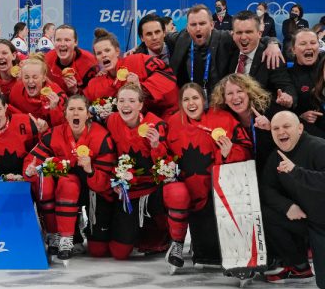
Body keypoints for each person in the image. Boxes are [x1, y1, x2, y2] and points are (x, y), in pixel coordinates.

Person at [163, 83, 253, 270]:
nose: (191, 103)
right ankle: (177, 243)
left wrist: (230, 153)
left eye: (195, 98)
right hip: (190, 188)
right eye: (186, 99)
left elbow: (247, 148)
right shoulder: (172, 122)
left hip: (220, 189)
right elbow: (165, 154)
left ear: (204, 101)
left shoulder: (224, 118)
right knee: (175, 192)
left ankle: (240, 252)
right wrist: (164, 158)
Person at [23, 95, 116, 262]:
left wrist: (90, 170)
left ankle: (82, 230)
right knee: (57, 180)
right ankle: (59, 236)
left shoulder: (101, 136)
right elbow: (33, 160)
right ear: (65, 114)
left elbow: (106, 182)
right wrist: (29, 171)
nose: (76, 113)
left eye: (80, 109)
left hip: (94, 192)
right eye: (71, 109)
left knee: (98, 250)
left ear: (88, 114)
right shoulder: (55, 134)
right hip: (66, 191)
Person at [101, 83, 170, 259]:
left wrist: (156, 146)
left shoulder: (156, 125)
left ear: (140, 105)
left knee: (171, 194)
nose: (126, 105)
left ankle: (165, 232)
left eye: (132, 101)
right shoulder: (111, 121)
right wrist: (115, 180)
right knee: (118, 252)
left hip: (153, 190)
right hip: (128, 192)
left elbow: (167, 167)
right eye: (122, 100)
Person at [260, 111, 323, 289]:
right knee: (266, 213)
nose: (281, 132)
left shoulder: (318, 147)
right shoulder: (276, 156)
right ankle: (299, 266)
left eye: (286, 126)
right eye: (275, 128)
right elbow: (266, 189)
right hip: (306, 220)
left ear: (300, 128)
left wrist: (296, 171)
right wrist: (287, 206)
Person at [165, 4, 283, 99]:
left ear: (212, 25)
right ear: (187, 27)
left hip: (218, 103)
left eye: (202, 23)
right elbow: (159, 37)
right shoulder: (180, 38)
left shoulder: (225, 38)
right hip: (190, 101)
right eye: (193, 24)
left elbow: (255, 38)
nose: (198, 28)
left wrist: (273, 43)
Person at [85, 28, 178, 120]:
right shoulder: (95, 84)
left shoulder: (137, 60)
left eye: (107, 50)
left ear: (117, 51)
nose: (103, 55)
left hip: (158, 120)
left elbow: (167, 74)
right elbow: (84, 105)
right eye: (99, 53)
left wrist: (141, 87)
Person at [229, 11, 296, 113]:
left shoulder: (271, 55)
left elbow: (286, 86)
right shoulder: (228, 52)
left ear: (259, 34)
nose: (243, 37)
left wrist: (288, 98)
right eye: (239, 32)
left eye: (248, 32)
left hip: (262, 118)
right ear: (232, 35)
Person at [210, 73, 274, 171]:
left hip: (271, 172)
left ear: (249, 93)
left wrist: (271, 129)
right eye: (229, 93)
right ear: (224, 99)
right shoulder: (224, 122)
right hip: (244, 176)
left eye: (240, 91)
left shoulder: (269, 111)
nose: (235, 97)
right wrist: (227, 154)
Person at [0, 86, 40, 183]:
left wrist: (43, 131)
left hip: (27, 180)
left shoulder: (25, 121)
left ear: (5, 107)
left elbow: (41, 149)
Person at [8, 55, 66, 130]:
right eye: (26, 77)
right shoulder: (16, 91)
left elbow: (64, 128)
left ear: (44, 77)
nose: (30, 81)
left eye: (35, 77)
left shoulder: (57, 95)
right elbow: (12, 118)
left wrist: (54, 110)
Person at [288, 29, 325, 138]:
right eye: (303, 44)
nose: (309, 47)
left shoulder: (323, 65)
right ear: (294, 49)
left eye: (313, 43)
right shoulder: (287, 76)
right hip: (309, 134)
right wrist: (300, 117)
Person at [43, 24, 98, 94]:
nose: (62, 44)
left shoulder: (90, 63)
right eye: (58, 40)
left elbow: (93, 97)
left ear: (75, 42)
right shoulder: (47, 60)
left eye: (67, 40)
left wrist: (75, 90)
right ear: (53, 42)